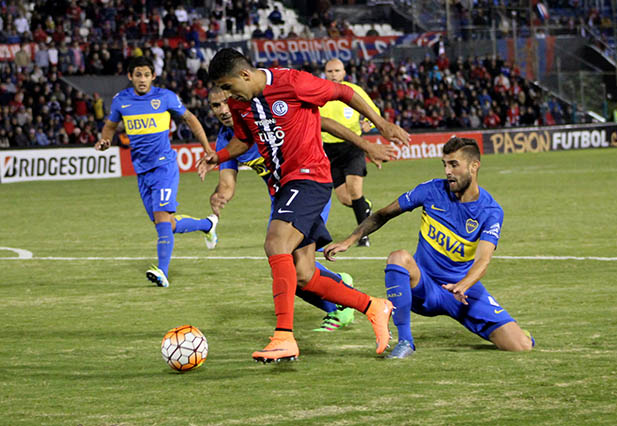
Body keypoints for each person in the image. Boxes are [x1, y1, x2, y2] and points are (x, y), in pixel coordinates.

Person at [202, 48, 410, 362]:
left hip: (310, 177)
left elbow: (342, 92)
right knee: (304, 275)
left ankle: (284, 336)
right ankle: (373, 306)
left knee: (276, 244)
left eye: (228, 87)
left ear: (244, 75)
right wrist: (217, 157)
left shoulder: (293, 83)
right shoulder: (239, 104)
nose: (227, 96)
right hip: (283, 186)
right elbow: (244, 140)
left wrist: (380, 126)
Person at [325, 137, 535, 358]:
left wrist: (462, 286)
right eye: (445, 164)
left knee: (521, 345)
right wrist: (349, 240)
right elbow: (383, 214)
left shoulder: (490, 211)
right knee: (398, 257)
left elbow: (483, 260)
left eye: (454, 164)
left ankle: (517, 331)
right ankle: (405, 342)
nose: (447, 171)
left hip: (462, 290)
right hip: (423, 286)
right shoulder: (431, 190)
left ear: (474, 166)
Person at [94, 56, 216, 288]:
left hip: (164, 166)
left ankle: (162, 271)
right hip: (142, 170)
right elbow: (110, 126)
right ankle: (207, 225)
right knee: (166, 224)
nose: (142, 79)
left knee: (161, 220)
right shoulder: (121, 101)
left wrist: (208, 149)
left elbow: (190, 119)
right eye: (137, 75)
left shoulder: (165, 97)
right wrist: (105, 140)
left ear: (153, 77)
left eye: (146, 75)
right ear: (130, 76)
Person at [320, 58, 382, 247]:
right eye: (330, 71)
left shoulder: (353, 91)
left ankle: (362, 236)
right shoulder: (319, 91)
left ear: (344, 72)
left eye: (337, 71)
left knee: (355, 190)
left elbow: (374, 111)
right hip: (329, 150)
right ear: (325, 73)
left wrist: (368, 124)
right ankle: (365, 207)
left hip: (353, 146)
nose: (333, 74)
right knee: (346, 198)